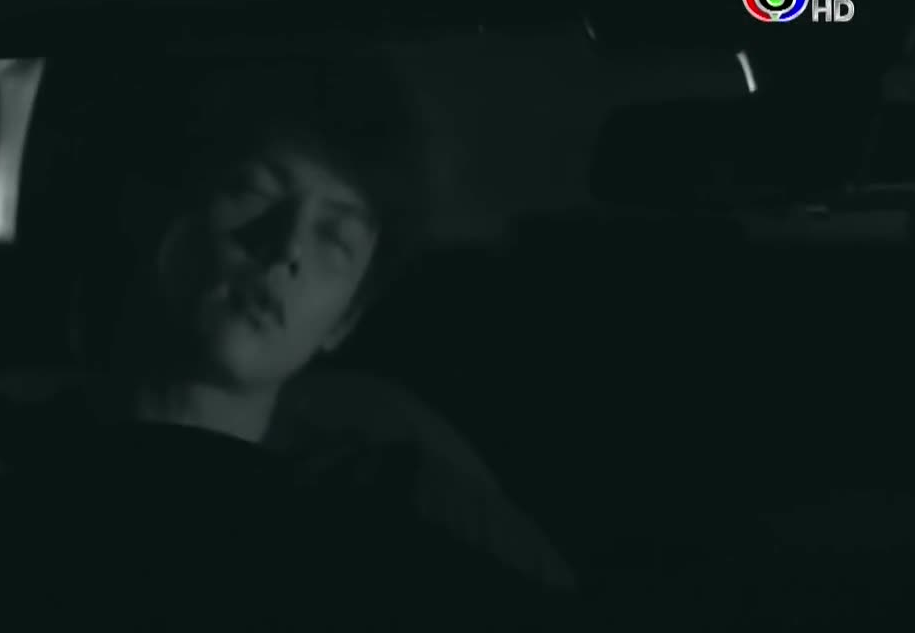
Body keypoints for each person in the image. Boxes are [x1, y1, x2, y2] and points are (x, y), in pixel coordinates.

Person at [64, 49, 577, 589]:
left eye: (335, 238)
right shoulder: (22, 460)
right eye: (253, 190)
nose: (287, 248)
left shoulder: (409, 505)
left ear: (346, 320)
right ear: (163, 209)